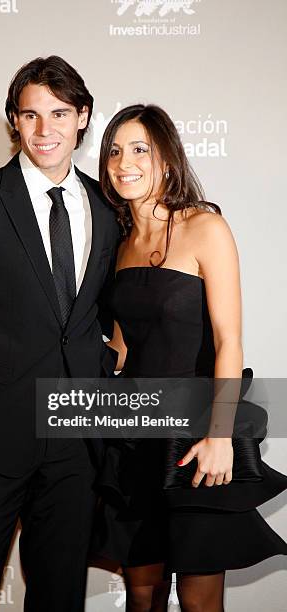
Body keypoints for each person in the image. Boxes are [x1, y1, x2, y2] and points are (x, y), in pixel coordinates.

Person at [0, 55, 120, 611]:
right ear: (14, 121)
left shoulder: (108, 210)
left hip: (76, 449)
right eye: (30, 115)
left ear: (82, 117)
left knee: (59, 599)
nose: (45, 130)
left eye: (59, 113)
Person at [91, 104, 287, 611]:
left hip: (196, 432)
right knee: (142, 593)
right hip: (135, 436)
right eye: (114, 150)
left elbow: (229, 341)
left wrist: (219, 435)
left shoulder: (205, 228)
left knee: (199, 600)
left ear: (168, 162)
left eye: (140, 149)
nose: (123, 161)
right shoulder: (119, 243)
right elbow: (123, 346)